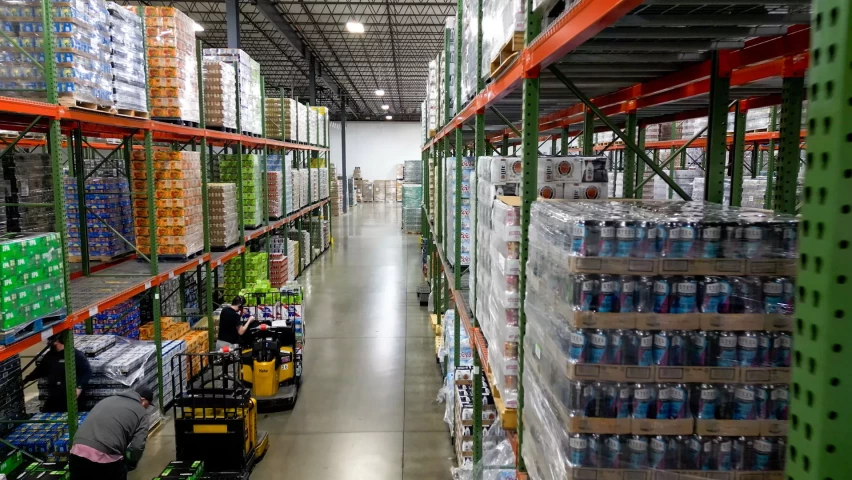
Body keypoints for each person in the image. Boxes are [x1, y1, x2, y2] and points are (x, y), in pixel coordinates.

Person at [69, 385, 153, 479]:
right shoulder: (142, 413)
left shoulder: (108, 399)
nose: (147, 408)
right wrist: (131, 463)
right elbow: (137, 446)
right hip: (105, 458)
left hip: (77, 451)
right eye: (148, 404)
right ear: (142, 400)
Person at [23, 334, 92, 412]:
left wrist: (79, 387)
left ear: (57, 341)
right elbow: (40, 370)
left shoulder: (76, 355)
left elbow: (86, 372)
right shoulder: (50, 355)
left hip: (71, 395)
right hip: (55, 394)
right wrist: (26, 380)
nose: (48, 343)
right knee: (47, 413)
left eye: (49, 340)